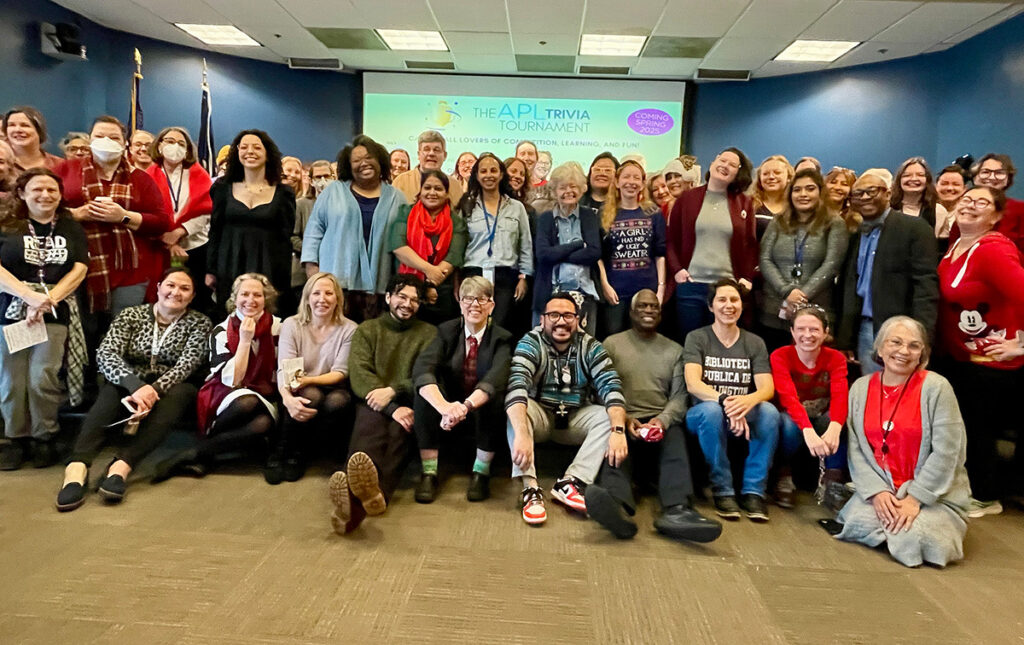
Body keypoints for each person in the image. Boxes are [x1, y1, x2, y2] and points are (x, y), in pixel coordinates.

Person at [55, 269, 211, 509]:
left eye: (184, 289)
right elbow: (106, 354)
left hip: (171, 385)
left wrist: (153, 389)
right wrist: (136, 387)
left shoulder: (199, 322)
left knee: (180, 395)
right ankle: (77, 467)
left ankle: (121, 468)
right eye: (170, 285)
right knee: (110, 392)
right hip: (129, 379)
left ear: (192, 296)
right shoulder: (132, 315)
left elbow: (187, 365)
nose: (175, 292)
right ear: (158, 288)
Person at [586, 290, 723, 541]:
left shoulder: (675, 350)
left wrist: (662, 421)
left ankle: (677, 511)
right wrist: (624, 420)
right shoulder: (611, 344)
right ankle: (617, 508)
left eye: (654, 307)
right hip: (622, 419)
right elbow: (598, 389)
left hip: (661, 421)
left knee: (676, 438)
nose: (649, 310)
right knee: (614, 448)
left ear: (661, 314)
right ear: (631, 312)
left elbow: (680, 396)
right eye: (643, 306)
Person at [835, 316, 970, 568]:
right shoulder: (860, 388)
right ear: (879, 348)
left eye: (914, 346)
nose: (903, 351)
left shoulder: (938, 388)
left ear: (922, 354)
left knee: (920, 537)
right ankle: (894, 530)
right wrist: (877, 493)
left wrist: (915, 499)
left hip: (934, 495)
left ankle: (900, 534)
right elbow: (856, 451)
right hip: (884, 490)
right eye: (895, 342)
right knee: (857, 520)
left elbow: (949, 452)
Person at [936, 186, 1024, 517]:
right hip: (961, 358)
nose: (971, 206)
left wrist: (1020, 343)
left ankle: (986, 496)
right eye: (967, 200)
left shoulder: (994, 249)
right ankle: (972, 487)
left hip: (990, 363)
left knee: (979, 429)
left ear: (997, 216)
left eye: (982, 203)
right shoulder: (957, 245)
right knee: (965, 426)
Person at [326, 275, 436, 535]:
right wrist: (389, 406)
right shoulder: (368, 329)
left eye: (414, 300)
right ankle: (368, 498)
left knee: (399, 434)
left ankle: (355, 506)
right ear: (387, 298)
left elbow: (428, 374)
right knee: (370, 433)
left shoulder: (429, 333)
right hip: (372, 401)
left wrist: (395, 392)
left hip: (410, 402)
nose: (407, 304)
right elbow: (360, 374)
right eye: (401, 296)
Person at [505, 292, 627, 525]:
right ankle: (530, 489)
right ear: (542, 319)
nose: (561, 321)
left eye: (568, 315)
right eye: (554, 315)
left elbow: (611, 387)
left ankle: (571, 482)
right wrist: (521, 433)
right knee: (518, 407)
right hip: (540, 418)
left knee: (605, 416)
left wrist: (618, 431)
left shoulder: (591, 346)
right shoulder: (531, 341)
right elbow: (517, 385)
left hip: (574, 419)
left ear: (579, 320)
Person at [154, 273, 282, 481]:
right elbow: (233, 380)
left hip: (266, 391)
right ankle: (207, 454)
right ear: (235, 298)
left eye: (257, 295)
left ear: (265, 299)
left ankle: (195, 454)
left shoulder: (279, 327)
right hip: (226, 391)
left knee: (263, 423)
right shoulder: (221, 330)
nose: (250, 300)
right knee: (247, 402)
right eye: (245, 294)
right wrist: (245, 340)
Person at [0, 169, 88, 471]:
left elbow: (79, 268)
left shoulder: (69, 226)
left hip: (54, 311)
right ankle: (15, 437)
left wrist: (49, 299)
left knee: (42, 377)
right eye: (37, 189)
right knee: (12, 379)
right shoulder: (7, 224)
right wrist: (28, 296)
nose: (45, 195)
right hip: (11, 310)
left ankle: (44, 436)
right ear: (22, 193)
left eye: (52, 190)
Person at [683, 279, 779, 521]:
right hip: (704, 413)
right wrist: (727, 402)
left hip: (741, 409)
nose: (729, 305)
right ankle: (722, 488)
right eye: (722, 300)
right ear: (711, 306)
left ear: (742, 305)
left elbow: (766, 387)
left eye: (734, 300)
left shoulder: (754, 342)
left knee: (769, 412)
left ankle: (753, 491)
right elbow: (694, 384)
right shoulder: (697, 338)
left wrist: (746, 402)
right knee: (712, 412)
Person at [411, 276, 513, 503]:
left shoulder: (502, 339)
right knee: (425, 394)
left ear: (492, 306)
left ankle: (481, 472)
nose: (474, 305)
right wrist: (445, 407)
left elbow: (497, 378)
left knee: (494, 398)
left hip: (476, 408)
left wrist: (464, 408)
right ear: (460, 303)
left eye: (482, 299)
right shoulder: (445, 331)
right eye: (468, 298)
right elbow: (423, 369)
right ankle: (429, 472)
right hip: (449, 408)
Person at [58, 115, 171, 317]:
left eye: (114, 137)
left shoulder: (140, 178)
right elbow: (42, 210)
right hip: (76, 267)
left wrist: (124, 216)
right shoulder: (66, 170)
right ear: (90, 140)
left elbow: (161, 222)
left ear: (124, 143)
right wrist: (76, 214)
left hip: (129, 271)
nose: (106, 142)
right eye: (99, 136)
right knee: (83, 333)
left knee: (122, 329)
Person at [835, 173, 938, 373]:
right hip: (864, 330)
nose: (864, 198)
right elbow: (849, 287)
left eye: (871, 191)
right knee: (874, 393)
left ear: (888, 193)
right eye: (858, 194)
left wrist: (923, 337)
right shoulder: (855, 234)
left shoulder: (914, 228)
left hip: (902, 334)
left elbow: (926, 287)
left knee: (902, 394)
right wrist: (845, 337)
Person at [302, 135, 405, 322]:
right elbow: (313, 232)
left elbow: (405, 240)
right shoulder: (332, 192)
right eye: (357, 160)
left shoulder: (397, 197)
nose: (364, 163)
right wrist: (314, 274)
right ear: (348, 166)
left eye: (369, 158)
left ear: (380, 160)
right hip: (336, 286)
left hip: (380, 288)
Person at [267, 272, 357, 484]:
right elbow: (284, 368)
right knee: (311, 396)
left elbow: (340, 372)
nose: (322, 299)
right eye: (316, 293)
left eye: (329, 293)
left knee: (337, 401)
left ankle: (303, 452)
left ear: (337, 299)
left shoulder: (350, 329)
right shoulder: (292, 324)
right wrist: (287, 398)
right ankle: (284, 451)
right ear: (307, 298)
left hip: (332, 384)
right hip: (297, 385)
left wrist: (308, 379)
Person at [666, 147, 756, 343]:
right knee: (689, 344)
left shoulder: (744, 203)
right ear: (714, 161)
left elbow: (750, 245)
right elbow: (671, 240)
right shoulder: (687, 198)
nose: (725, 166)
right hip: (691, 286)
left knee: (722, 346)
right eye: (723, 160)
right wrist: (677, 270)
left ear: (737, 172)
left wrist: (747, 278)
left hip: (727, 289)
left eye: (732, 165)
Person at [758, 168, 849, 350]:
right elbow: (764, 258)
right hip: (773, 312)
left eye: (810, 189)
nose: (803, 194)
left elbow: (831, 264)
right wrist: (786, 291)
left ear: (820, 192)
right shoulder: (778, 221)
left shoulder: (834, 223)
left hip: (814, 314)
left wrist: (800, 296)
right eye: (797, 189)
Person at [207, 129, 295, 313]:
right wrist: (211, 269)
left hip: (268, 265)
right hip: (229, 262)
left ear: (268, 154)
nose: (250, 152)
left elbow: (285, 239)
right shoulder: (222, 189)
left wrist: (283, 278)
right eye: (244, 147)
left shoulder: (283, 194)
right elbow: (215, 231)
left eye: (257, 147)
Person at [769, 306, 848, 508]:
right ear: (792, 332)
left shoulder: (836, 358)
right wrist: (807, 430)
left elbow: (840, 396)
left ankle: (833, 481)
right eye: (801, 329)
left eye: (814, 329)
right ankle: (784, 474)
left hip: (821, 416)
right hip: (792, 419)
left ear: (825, 332)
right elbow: (788, 399)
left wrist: (836, 427)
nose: (807, 335)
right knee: (787, 424)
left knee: (839, 421)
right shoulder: (781, 355)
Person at [458, 153, 533, 330]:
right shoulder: (466, 206)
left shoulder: (516, 207)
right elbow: (459, 246)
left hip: (506, 277)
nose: (488, 175)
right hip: (473, 274)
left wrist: (524, 277)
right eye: (483, 171)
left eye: (493, 170)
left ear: (501, 175)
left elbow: (526, 245)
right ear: (476, 176)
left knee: (501, 328)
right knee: (474, 327)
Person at [146, 127, 214, 311]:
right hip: (158, 248)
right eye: (169, 141)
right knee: (164, 297)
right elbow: (144, 213)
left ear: (187, 150)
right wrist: (168, 242)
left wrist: (179, 232)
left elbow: (206, 211)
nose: (175, 146)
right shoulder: (147, 175)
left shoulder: (199, 174)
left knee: (196, 300)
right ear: (159, 146)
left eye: (181, 143)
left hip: (195, 247)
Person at [596, 160, 666, 337]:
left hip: (646, 291)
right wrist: (605, 285)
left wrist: (661, 289)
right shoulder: (605, 214)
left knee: (645, 339)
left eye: (637, 178)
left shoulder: (653, 213)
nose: (631, 182)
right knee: (613, 338)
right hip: (615, 291)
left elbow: (660, 253)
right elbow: (598, 255)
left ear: (642, 184)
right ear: (617, 182)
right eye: (626, 177)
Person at [390, 169, 467, 324]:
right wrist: (427, 274)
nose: (432, 192)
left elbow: (453, 257)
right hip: (405, 290)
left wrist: (430, 284)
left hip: (441, 294)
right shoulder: (405, 212)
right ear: (420, 190)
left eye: (438, 189)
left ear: (447, 193)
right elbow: (398, 247)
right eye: (427, 188)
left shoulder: (456, 222)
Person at [535, 163, 602, 335]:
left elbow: (594, 252)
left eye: (573, 186)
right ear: (554, 191)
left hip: (584, 293)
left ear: (581, 189)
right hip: (550, 293)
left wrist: (557, 252)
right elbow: (543, 255)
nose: (568, 191)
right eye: (562, 187)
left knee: (584, 350)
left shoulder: (589, 216)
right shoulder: (545, 219)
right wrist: (578, 245)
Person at [291, 159, 333, 303]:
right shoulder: (301, 204)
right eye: (318, 177)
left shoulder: (341, 205)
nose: (322, 181)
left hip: (333, 272)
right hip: (304, 275)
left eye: (326, 176)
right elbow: (292, 237)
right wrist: (314, 251)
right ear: (310, 180)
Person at [966, 153, 1023, 252]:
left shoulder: (1020, 209)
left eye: (999, 173)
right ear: (975, 177)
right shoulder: (965, 206)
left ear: (1008, 178)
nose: (992, 177)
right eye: (985, 172)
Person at [392, 131, 464, 206]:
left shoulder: (455, 186)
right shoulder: (401, 182)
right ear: (419, 154)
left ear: (445, 155)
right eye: (426, 149)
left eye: (436, 150)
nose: (431, 153)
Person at [890, 157, 948, 238]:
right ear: (899, 181)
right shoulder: (887, 209)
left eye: (920, 175)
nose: (913, 179)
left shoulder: (939, 212)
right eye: (907, 175)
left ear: (927, 180)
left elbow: (941, 248)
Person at [2, 106, 62, 172]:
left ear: (39, 131)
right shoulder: (2, 163)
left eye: (24, 125)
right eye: (12, 125)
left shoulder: (60, 165)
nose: (17, 130)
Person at [753, 155, 795, 240]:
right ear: (760, 179)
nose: (771, 177)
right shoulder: (750, 205)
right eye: (765, 174)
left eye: (777, 172)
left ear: (789, 178)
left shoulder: (797, 207)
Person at [935, 165, 967, 238]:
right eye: (944, 184)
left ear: (965, 188)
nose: (949, 188)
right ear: (935, 186)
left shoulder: (967, 213)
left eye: (956, 184)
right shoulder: (927, 210)